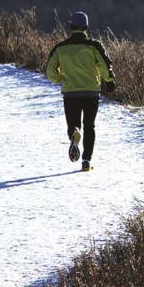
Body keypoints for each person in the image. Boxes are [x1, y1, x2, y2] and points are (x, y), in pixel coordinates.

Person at [45, 11, 116, 171]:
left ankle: (75, 134)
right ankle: (86, 161)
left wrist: (59, 79)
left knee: (73, 125)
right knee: (90, 125)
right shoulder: (93, 46)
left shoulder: (60, 48)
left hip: (70, 93)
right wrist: (110, 81)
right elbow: (104, 65)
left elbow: (50, 71)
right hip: (91, 92)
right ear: (86, 27)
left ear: (71, 27)